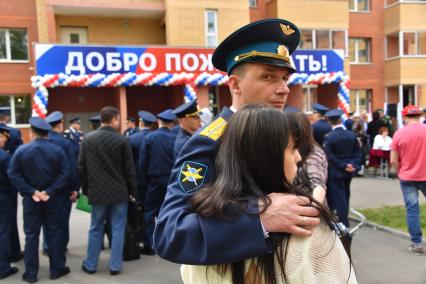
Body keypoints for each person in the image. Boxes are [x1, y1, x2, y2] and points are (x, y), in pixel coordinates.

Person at [154, 19, 321, 264]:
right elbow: (170, 233)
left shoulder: (281, 132)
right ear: (235, 84)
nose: (284, 88)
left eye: (285, 78)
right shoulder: (209, 141)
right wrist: (259, 219)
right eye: (268, 77)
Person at [181, 105, 356, 283]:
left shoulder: (204, 224)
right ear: (267, 158)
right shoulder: (306, 228)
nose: (299, 158)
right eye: (292, 149)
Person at [8, 117, 70, 283]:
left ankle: (31, 274)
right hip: (52, 199)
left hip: (31, 200)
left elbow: (13, 174)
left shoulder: (21, 150)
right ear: (47, 133)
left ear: (31, 132)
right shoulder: (58, 151)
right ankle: (57, 270)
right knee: (55, 233)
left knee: (31, 235)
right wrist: (49, 191)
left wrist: (31, 191)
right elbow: (64, 174)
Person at [79, 106, 137, 275]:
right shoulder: (122, 140)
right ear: (113, 120)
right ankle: (115, 266)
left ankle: (90, 265)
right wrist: (133, 191)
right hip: (120, 193)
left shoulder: (88, 139)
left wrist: (86, 190)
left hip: (97, 193)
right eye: (118, 119)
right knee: (118, 229)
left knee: (95, 228)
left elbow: (81, 167)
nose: (119, 123)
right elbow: (130, 170)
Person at [139, 109, 177, 255]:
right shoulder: (175, 137)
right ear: (172, 122)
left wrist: (144, 182)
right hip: (171, 180)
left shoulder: (150, 137)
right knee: (169, 212)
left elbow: (143, 162)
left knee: (149, 213)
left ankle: (150, 244)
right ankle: (170, 242)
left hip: (154, 181)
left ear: (159, 121)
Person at [391, 105, 426, 255]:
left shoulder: (399, 134)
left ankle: (417, 243)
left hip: (407, 177)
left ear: (404, 117)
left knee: (412, 210)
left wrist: (400, 173)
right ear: (420, 116)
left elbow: (393, 160)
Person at [45, 111, 79, 254]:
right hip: (62, 188)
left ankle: (47, 247)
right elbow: (71, 168)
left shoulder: (42, 141)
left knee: (46, 220)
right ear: (59, 125)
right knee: (62, 220)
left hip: (44, 189)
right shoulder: (65, 143)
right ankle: (60, 247)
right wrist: (75, 189)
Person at [323, 109, 361, 228]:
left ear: (329, 121)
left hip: (336, 171)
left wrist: (343, 166)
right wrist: (353, 165)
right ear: (340, 120)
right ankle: (344, 217)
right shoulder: (351, 134)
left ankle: (344, 223)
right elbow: (358, 153)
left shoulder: (329, 137)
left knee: (339, 197)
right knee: (345, 195)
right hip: (349, 171)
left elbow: (330, 155)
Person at [0, 107, 23, 262]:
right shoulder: (13, 133)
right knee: (7, 223)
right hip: (7, 187)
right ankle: (9, 256)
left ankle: (12, 252)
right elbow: (19, 154)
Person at [290, 112, 328, 204]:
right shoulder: (290, 148)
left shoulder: (313, 153)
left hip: (307, 209)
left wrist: (314, 207)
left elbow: (318, 184)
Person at [0, 125, 19, 280]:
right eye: (3, 138)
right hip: (4, 197)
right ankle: (3, 267)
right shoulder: (4, 157)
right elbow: (12, 179)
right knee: (4, 231)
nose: (5, 141)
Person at [129, 110, 157, 203]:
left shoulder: (132, 138)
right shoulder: (158, 137)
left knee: (140, 206)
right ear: (152, 125)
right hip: (155, 177)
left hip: (138, 179)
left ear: (141, 123)